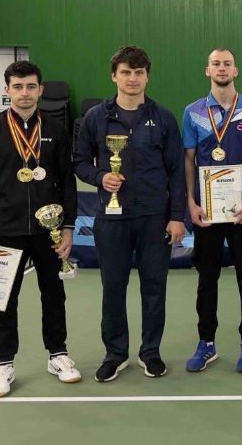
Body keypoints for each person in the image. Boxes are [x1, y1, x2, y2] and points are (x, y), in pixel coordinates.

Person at [73, 46, 186, 381]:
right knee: (113, 287)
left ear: (147, 77)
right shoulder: (95, 118)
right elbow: (79, 161)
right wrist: (100, 177)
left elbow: (176, 172)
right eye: (126, 72)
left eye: (138, 72)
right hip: (111, 218)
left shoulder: (163, 118)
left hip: (154, 217)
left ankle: (150, 352)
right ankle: (115, 353)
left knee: (154, 288)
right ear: (114, 76)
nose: (132, 79)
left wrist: (176, 216)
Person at [0, 61, 80, 397]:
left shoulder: (57, 129)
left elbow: (68, 182)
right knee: (2, 299)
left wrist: (68, 226)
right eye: (17, 87)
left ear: (40, 90)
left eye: (31, 86)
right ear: (7, 91)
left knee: (54, 294)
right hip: (5, 228)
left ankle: (58, 354)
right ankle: (4, 363)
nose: (24, 93)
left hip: (49, 231)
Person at [181, 48, 242, 373]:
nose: (221, 68)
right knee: (207, 279)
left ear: (236, 70)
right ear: (207, 70)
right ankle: (206, 343)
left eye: (227, 63)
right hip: (207, 211)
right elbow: (189, 160)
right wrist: (191, 202)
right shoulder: (193, 112)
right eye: (215, 63)